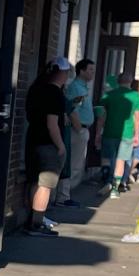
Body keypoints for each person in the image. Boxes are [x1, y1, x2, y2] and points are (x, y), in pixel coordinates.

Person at [24, 57, 70, 234]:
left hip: (33, 139)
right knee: (45, 184)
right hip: (48, 144)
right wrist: (60, 145)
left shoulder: (36, 89)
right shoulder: (55, 93)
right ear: (62, 74)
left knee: (34, 181)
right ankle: (37, 223)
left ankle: (32, 220)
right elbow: (52, 123)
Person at [55, 57, 95, 205]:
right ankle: (63, 197)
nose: (92, 73)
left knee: (76, 164)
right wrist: (79, 130)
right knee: (73, 164)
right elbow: (72, 110)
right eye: (90, 70)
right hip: (77, 130)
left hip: (83, 128)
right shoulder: (76, 88)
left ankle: (65, 195)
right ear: (81, 71)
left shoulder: (83, 87)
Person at [99, 75, 139, 197]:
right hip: (127, 133)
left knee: (107, 158)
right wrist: (137, 134)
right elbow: (137, 117)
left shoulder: (108, 94)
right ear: (130, 82)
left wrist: (98, 132)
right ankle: (115, 188)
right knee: (120, 161)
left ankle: (106, 180)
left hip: (109, 131)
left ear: (118, 82)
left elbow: (102, 115)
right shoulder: (135, 96)